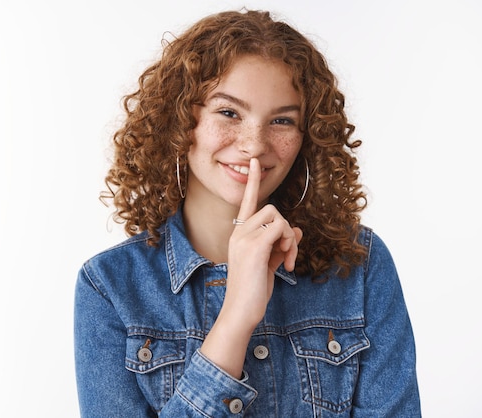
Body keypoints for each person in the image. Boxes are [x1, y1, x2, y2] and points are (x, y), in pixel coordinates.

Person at [74, 9, 420, 417]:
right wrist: (236, 316)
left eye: (282, 120)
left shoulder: (359, 264)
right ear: (181, 119)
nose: (254, 144)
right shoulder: (110, 287)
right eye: (229, 112)